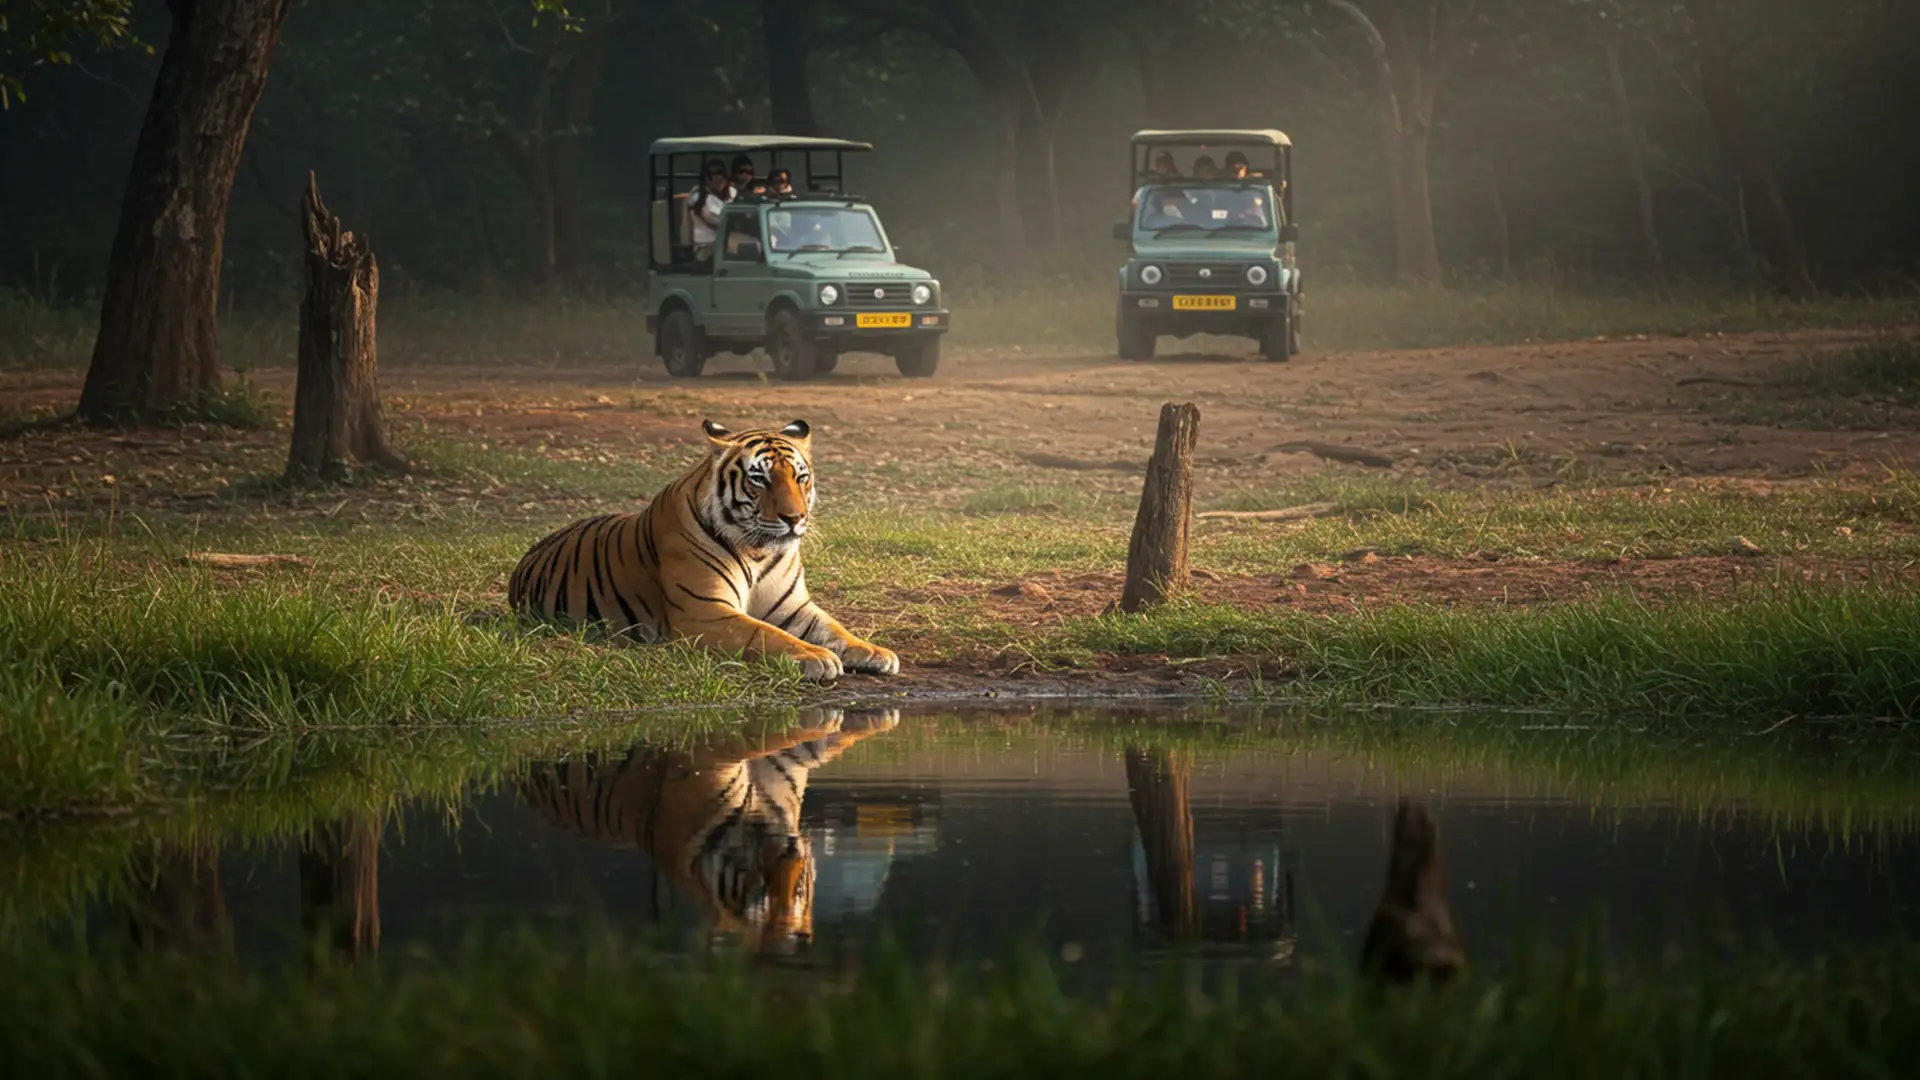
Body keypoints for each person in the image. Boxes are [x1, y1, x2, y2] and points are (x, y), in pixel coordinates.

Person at [688, 157, 733, 262]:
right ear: (706, 177)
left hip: (723, 245)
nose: (719, 177)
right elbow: (719, 220)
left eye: (721, 173)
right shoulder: (698, 197)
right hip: (705, 249)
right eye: (714, 174)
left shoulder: (729, 194)